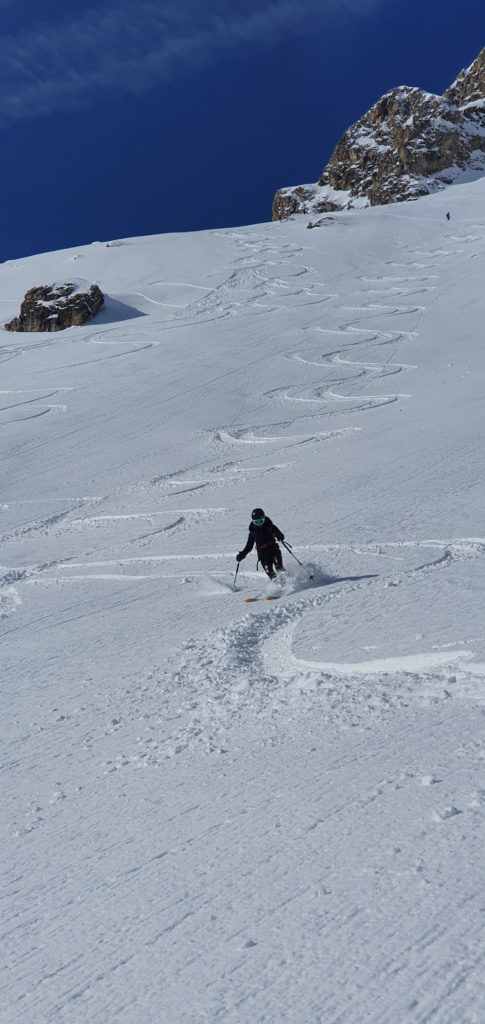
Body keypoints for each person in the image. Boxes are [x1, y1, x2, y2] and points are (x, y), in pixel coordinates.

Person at [236, 508, 285, 580]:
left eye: (261, 521)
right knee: (270, 574)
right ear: (253, 521)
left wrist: (278, 536)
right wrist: (242, 554)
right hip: (263, 556)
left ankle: (290, 581)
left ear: (264, 519)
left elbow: (281, 535)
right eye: (256, 522)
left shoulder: (269, 526)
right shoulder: (253, 532)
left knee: (280, 569)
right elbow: (249, 546)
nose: (259, 524)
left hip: (274, 551)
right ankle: (279, 586)